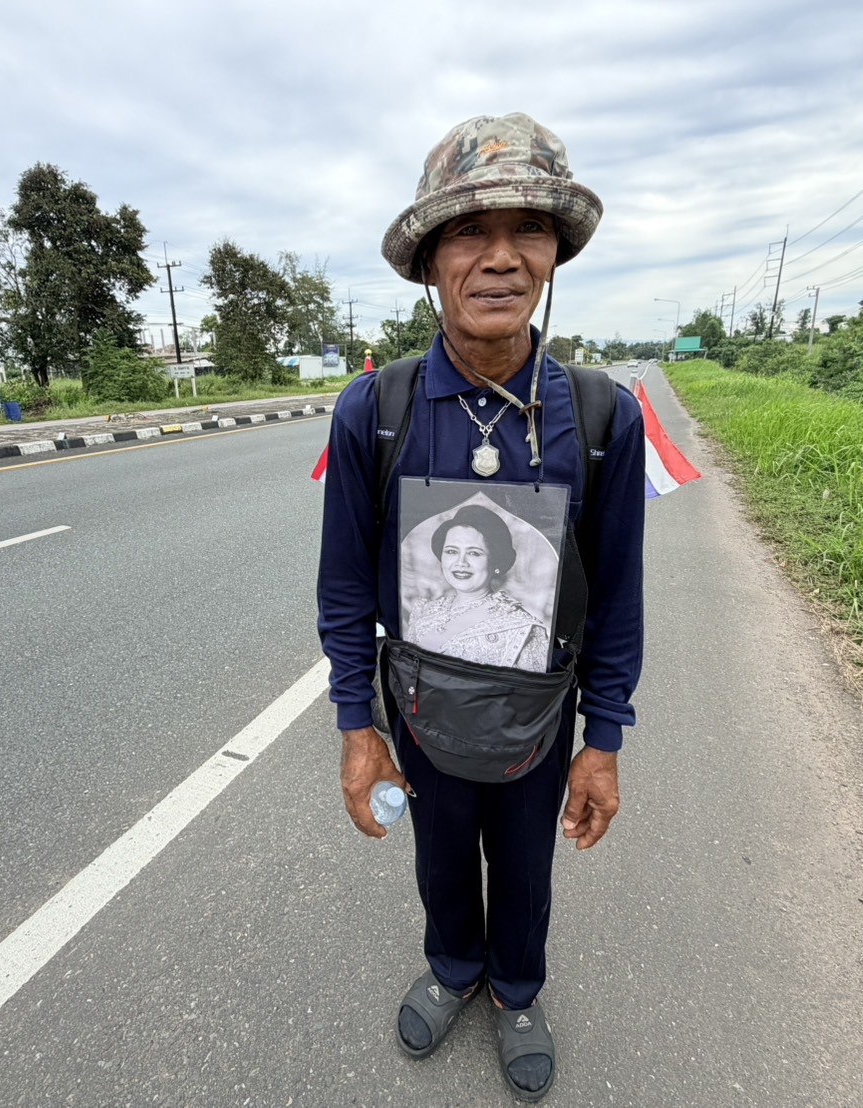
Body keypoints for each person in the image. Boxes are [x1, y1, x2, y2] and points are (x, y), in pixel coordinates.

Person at [317, 112, 646, 1102]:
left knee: (526, 860)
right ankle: (454, 964)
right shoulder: (375, 411)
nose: (500, 256)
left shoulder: (602, 416)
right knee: (441, 852)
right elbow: (344, 585)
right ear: (430, 263)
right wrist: (357, 726)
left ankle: (515, 987)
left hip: (541, 712)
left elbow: (618, 591)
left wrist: (603, 737)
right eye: (468, 232)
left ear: (554, 255)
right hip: (424, 705)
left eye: (527, 230)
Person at [404, 504, 550, 671]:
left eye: (474, 553)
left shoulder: (523, 628)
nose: (461, 563)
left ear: (495, 560)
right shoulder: (423, 612)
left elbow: (532, 687)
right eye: (451, 552)